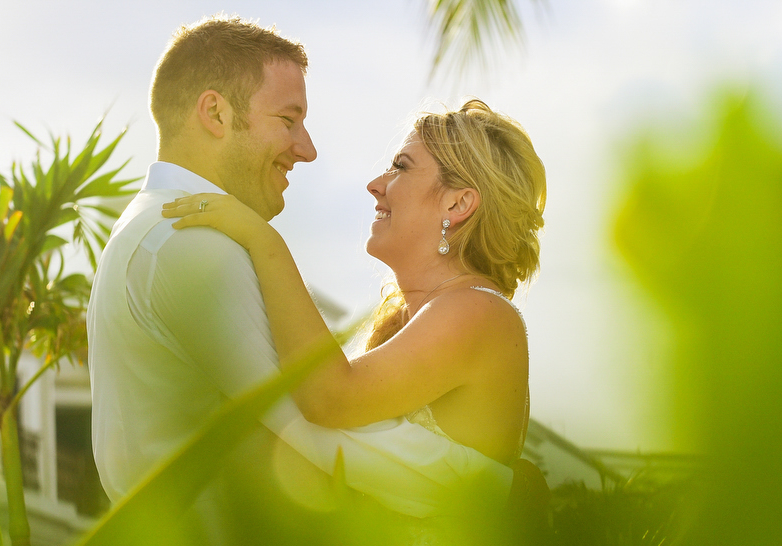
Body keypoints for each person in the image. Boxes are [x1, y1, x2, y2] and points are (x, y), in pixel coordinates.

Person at [87, 16, 514, 519]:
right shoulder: (193, 243)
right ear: (216, 114)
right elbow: (316, 433)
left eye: (400, 168)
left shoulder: (158, 229)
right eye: (288, 120)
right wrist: (494, 487)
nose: (307, 149)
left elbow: (322, 413)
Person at [161, 100, 545, 468]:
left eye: (401, 167)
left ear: (458, 205)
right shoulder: (408, 321)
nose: (375, 184)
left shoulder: (480, 313)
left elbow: (330, 400)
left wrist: (264, 242)